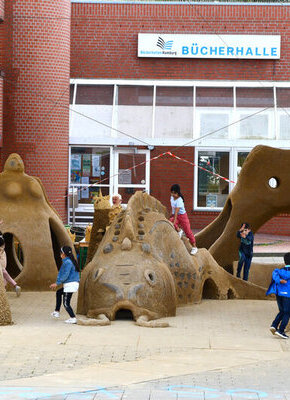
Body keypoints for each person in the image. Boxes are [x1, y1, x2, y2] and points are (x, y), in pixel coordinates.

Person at [49, 246, 80, 324]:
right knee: (59, 292)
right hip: (70, 284)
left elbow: (65, 275)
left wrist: (57, 283)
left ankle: (73, 318)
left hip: (70, 285)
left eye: (60, 253)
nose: (60, 255)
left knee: (66, 303)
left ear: (63, 254)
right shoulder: (69, 261)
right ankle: (56, 311)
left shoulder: (68, 262)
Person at [267, 252, 290, 339]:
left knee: (282, 311)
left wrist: (279, 280)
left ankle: (274, 325)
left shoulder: (279, 271)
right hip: (288, 295)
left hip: (279, 294)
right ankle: (281, 331)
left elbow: (274, 275)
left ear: (285, 262)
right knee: (287, 313)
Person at [169, 184, 198, 256]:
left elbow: (176, 212)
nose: (173, 194)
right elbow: (173, 209)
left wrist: (174, 221)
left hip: (183, 216)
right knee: (170, 221)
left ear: (178, 193)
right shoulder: (172, 198)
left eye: (174, 193)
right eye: (172, 192)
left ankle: (194, 247)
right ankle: (179, 230)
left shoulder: (179, 200)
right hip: (176, 215)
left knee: (188, 232)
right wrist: (171, 218)